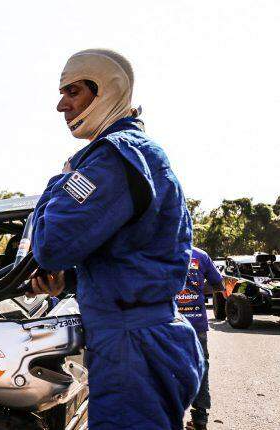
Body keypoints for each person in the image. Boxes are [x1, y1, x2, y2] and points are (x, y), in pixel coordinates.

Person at [27, 49, 204, 429]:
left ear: (105, 90)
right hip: (146, 336)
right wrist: (69, 280)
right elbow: (132, 254)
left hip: (131, 346)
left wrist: (59, 181)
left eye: (72, 92)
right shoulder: (138, 154)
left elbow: (51, 244)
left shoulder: (112, 157)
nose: (61, 105)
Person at [179, 247, 223, 430]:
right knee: (201, 367)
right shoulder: (200, 255)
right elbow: (218, 284)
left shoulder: (159, 248)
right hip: (197, 323)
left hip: (168, 323)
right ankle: (200, 420)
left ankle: (168, 416)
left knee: (165, 367)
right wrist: (197, 287)